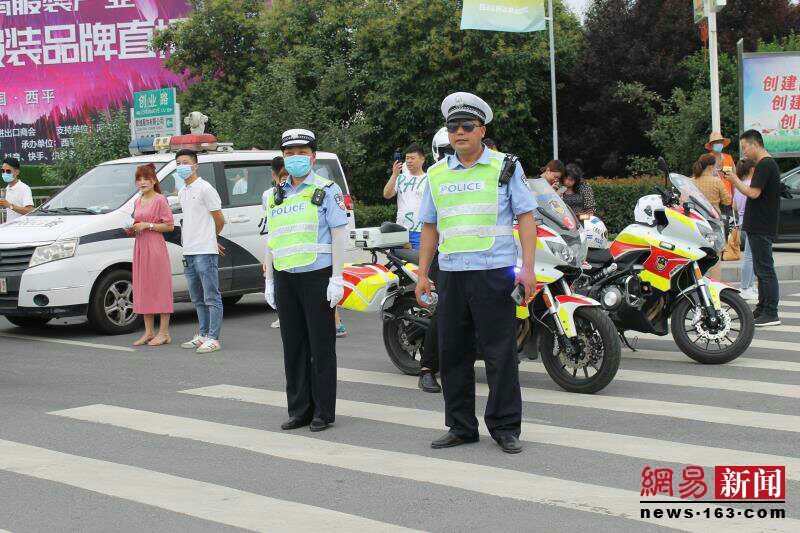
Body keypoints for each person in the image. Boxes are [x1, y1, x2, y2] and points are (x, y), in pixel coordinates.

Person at [416, 92, 537, 454]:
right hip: (451, 273)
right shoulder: (436, 174)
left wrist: (527, 269)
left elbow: (526, 219)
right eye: (453, 127)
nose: (460, 132)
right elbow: (429, 228)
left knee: (500, 354)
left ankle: (504, 428)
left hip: (494, 272)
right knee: (453, 353)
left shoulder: (506, 167)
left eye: (467, 126)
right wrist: (423, 274)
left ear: (482, 130)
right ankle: (460, 426)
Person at [263, 128, 349, 432]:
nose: (296, 158)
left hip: (317, 276)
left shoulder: (327, 190)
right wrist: (269, 280)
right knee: (293, 346)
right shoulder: (274, 195)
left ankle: (323, 411)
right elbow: (271, 240)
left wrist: (337, 277)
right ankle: (299, 409)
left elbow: (340, 235)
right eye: (290, 154)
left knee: (320, 346)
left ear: (313, 156)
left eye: (301, 153)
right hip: (286, 277)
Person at [724, 130, 782, 326]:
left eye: (745, 147)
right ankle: (762, 308)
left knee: (765, 269)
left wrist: (734, 180)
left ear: (755, 144)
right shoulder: (764, 164)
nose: (744, 152)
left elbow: (753, 193)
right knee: (760, 268)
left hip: (762, 225)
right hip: (758, 224)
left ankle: (771, 312)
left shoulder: (765, 164)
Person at [176, 149, 227, 353]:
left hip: (205, 251)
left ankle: (213, 337)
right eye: (178, 163)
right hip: (188, 250)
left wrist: (211, 239)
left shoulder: (205, 188)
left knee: (211, 296)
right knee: (196, 297)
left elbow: (219, 219)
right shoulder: (182, 192)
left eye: (185, 162)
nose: (182, 166)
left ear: (195, 165)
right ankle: (203, 333)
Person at [128, 164, 175, 346]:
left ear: (154, 180)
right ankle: (148, 332)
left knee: (159, 286)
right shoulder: (137, 201)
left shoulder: (160, 199)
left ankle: (164, 333)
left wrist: (148, 225)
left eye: (146, 179)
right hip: (140, 246)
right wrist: (132, 228)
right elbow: (137, 223)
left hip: (155, 246)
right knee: (143, 286)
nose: (142, 182)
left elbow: (169, 226)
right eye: (139, 179)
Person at [383, 144, 428, 249]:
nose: (409, 161)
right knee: (398, 262)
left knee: (419, 262)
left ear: (422, 159)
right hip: (400, 229)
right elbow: (387, 194)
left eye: (412, 158)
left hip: (420, 230)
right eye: (407, 158)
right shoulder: (400, 178)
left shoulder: (429, 179)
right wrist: (394, 175)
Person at [733, 159, 757, 301]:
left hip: (743, 221)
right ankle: (745, 287)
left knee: (750, 256)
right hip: (751, 222)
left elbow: (735, 206)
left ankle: (749, 285)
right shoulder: (750, 186)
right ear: (752, 170)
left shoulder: (738, 187)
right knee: (749, 256)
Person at [1, 157, 34, 223]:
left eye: (8, 171)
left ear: (17, 172)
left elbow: (29, 210)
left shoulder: (24, 188)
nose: (5, 174)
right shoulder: (6, 189)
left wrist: (10, 205)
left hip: (21, 228)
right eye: (3, 171)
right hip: (9, 227)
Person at [705, 131, 736, 197]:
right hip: (711, 197)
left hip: (727, 197)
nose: (719, 144)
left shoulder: (728, 158)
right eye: (716, 142)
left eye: (720, 142)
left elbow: (734, 179)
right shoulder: (706, 159)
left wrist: (734, 197)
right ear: (711, 145)